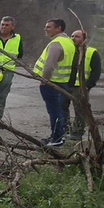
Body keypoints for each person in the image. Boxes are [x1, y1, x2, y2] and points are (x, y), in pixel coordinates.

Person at [33, 18, 74, 146]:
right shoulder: (68, 42)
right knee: (59, 110)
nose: (45, 29)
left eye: (48, 27)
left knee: (54, 111)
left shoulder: (56, 44)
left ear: (58, 29)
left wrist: (44, 81)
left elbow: (49, 65)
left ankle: (56, 139)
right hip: (62, 82)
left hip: (51, 83)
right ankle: (58, 136)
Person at [0, 16, 23, 123]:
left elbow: (20, 54)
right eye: (2, 24)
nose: (3, 27)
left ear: (12, 27)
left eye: (7, 25)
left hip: (7, 71)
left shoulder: (17, 38)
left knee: (1, 97)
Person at [66, 30, 102, 141]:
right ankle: (64, 128)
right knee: (61, 107)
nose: (73, 38)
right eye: (72, 36)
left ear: (84, 39)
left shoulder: (91, 52)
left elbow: (96, 71)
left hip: (80, 86)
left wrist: (88, 85)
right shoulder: (68, 50)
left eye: (77, 36)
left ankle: (77, 131)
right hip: (65, 83)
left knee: (80, 110)